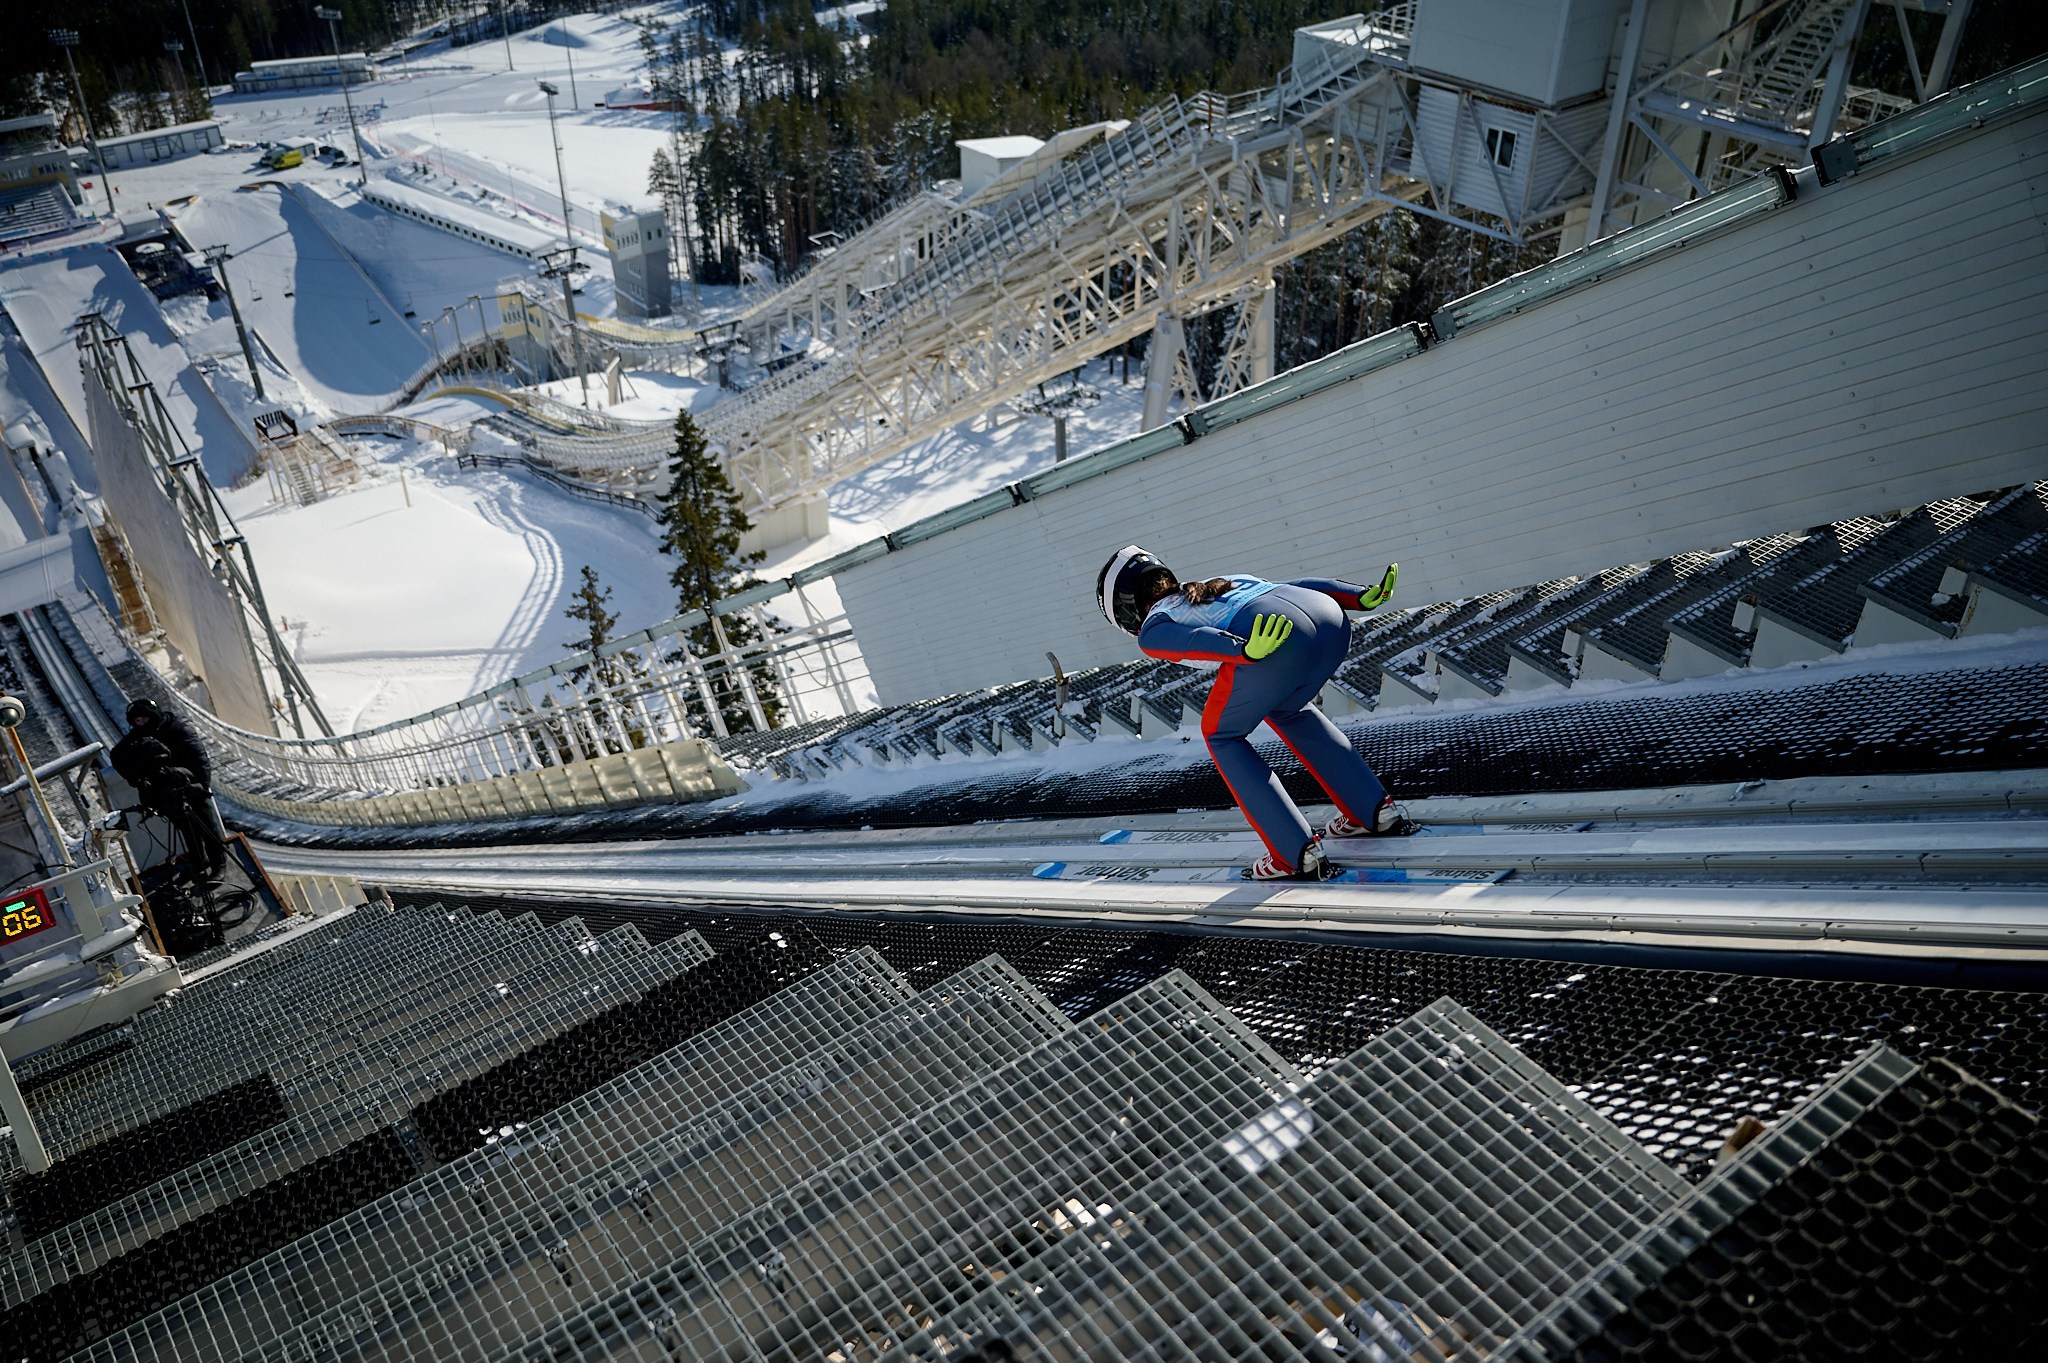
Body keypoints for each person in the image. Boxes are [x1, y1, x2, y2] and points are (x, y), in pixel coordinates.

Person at [1097, 545, 1415, 879]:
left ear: (1125, 610)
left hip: (1275, 643)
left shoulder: (1153, 626)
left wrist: (1240, 649)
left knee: (1221, 734)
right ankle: (1373, 811)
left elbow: (1189, 638)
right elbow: (1295, 585)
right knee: (1288, 708)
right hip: (1330, 621)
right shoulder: (1219, 582)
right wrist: (1356, 596)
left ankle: (1294, 853)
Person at [111, 698, 226, 882]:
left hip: (190, 784)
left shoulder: (178, 728)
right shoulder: (139, 736)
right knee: (187, 829)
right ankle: (199, 862)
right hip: (168, 792)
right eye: (137, 722)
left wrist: (202, 787)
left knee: (207, 827)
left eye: (144, 719)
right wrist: (137, 780)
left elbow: (199, 759)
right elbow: (117, 755)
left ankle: (219, 864)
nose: (141, 724)